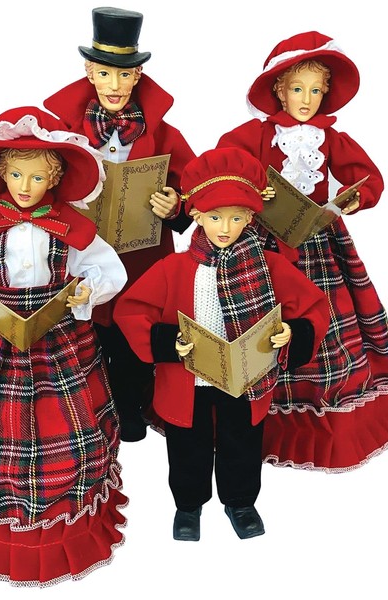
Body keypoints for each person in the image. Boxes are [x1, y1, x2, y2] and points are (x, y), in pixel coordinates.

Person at [0, 107, 129, 586]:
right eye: (16, 174)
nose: (25, 186)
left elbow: (107, 268)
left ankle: (65, 512)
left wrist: (85, 291)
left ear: (54, 178)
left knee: (68, 420)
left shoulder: (70, 225)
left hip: (58, 335)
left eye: (36, 176)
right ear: (1, 174)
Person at [217, 31, 388, 472]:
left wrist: (352, 198)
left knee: (325, 319)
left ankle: (324, 412)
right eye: (297, 89)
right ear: (279, 91)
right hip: (264, 243)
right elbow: (222, 168)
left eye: (315, 91)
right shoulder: (255, 134)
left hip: (316, 242)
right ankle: (252, 414)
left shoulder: (330, 138)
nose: (306, 100)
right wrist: (251, 188)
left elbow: (368, 178)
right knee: (255, 320)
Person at [114, 148, 329, 541]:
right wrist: (166, 342)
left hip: (246, 376)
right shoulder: (174, 268)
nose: (225, 228)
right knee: (187, 446)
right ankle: (188, 505)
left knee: (241, 441)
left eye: (235, 218)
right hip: (189, 378)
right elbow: (131, 310)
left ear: (250, 218)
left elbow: (313, 305)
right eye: (215, 217)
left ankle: (240, 502)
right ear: (196, 216)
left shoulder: (269, 266)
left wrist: (292, 332)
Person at [43, 7, 196, 442]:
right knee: (82, 326)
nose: (114, 85)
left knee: (133, 327)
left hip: (142, 255)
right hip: (79, 252)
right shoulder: (61, 129)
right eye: (105, 73)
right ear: (89, 72)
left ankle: (131, 407)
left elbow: (194, 185)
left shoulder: (164, 134)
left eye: (124, 75)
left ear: (138, 76)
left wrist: (177, 205)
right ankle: (84, 412)